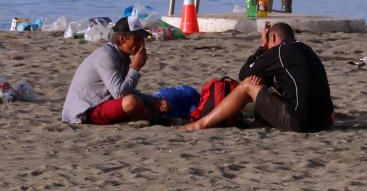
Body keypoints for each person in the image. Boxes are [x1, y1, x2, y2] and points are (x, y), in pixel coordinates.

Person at [184, 22, 333, 132]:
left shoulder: (280, 51)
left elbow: (244, 74)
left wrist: (262, 47)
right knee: (263, 83)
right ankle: (259, 121)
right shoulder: (306, 50)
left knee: (248, 84)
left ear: (273, 37)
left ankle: (200, 124)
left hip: (301, 123)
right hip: (324, 121)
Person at [61, 17, 167, 124]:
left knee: (149, 102)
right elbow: (120, 94)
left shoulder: (121, 56)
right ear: (121, 39)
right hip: (86, 111)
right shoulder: (106, 56)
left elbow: (125, 88)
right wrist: (135, 68)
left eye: (142, 40)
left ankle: (149, 115)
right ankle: (154, 118)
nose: (141, 44)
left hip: (103, 102)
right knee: (131, 102)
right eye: (136, 39)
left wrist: (152, 100)